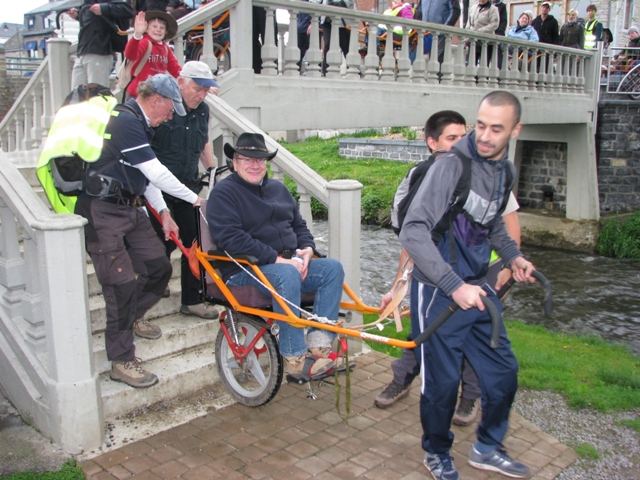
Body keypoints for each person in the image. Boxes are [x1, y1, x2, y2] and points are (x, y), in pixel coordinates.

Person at [400, 91, 535, 480]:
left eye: (496, 128)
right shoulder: (450, 167)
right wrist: (453, 285)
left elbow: (490, 222)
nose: (485, 136)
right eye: (481, 125)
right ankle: (437, 453)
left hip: (478, 289)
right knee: (441, 386)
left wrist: (513, 257)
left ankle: (487, 447)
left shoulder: (503, 171)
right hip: (438, 291)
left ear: (515, 130)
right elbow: (413, 232)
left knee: (503, 374)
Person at [374, 112, 522, 428]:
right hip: (439, 273)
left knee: (472, 336)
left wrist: (511, 263)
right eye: (450, 138)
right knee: (429, 329)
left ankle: (469, 396)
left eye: (462, 136)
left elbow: (506, 222)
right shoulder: (423, 177)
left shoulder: (488, 170)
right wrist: (400, 283)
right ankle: (404, 378)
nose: (462, 144)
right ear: (432, 143)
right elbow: (413, 235)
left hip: (485, 269)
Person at [74, 74, 203, 389]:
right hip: (101, 211)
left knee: (158, 267)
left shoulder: (142, 124)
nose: (171, 116)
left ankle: (132, 316)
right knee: (120, 286)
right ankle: (121, 360)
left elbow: (144, 177)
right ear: (156, 99)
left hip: (130, 207)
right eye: (171, 109)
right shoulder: (126, 121)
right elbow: (156, 172)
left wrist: (164, 212)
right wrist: (195, 198)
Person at [207, 133, 345, 381]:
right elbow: (230, 238)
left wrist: (307, 249)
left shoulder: (278, 189)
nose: (255, 165)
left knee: (332, 268)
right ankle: (294, 358)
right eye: (247, 159)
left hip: (285, 265)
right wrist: (277, 259)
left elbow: (299, 225)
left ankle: (319, 346)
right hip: (242, 270)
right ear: (234, 162)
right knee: (287, 273)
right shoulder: (224, 193)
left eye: (260, 160)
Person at [149, 61, 219, 320]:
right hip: (158, 188)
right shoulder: (165, 107)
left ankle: (193, 300)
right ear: (181, 82)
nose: (200, 95)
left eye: (205, 90)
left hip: (189, 188)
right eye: (197, 88)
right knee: (160, 241)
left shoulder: (204, 111)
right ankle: (157, 281)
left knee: (196, 244)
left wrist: (211, 167)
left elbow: (204, 141)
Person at [67, 0, 135, 89]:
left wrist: (103, 8)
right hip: (82, 52)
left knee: (97, 94)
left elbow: (128, 10)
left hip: (100, 51)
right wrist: (77, 15)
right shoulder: (87, 2)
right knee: (76, 94)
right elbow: (92, 21)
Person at [123, 10, 181, 99]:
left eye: (162, 27)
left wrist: (186, 79)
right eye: (154, 26)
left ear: (166, 32)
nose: (158, 30)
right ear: (146, 28)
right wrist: (137, 35)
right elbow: (130, 54)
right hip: (138, 94)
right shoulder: (145, 42)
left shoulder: (166, 48)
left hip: (156, 94)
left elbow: (176, 69)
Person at [311, 0, 353, 76]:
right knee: (327, 45)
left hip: (342, 22)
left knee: (346, 47)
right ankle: (325, 72)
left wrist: (338, 3)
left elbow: (349, 2)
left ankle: (354, 70)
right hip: (327, 21)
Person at [467, 0, 499, 66]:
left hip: (486, 42)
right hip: (473, 40)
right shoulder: (473, 8)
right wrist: (466, 38)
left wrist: (480, 31)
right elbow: (468, 24)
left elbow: (494, 24)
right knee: (470, 65)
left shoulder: (493, 9)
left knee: (484, 66)